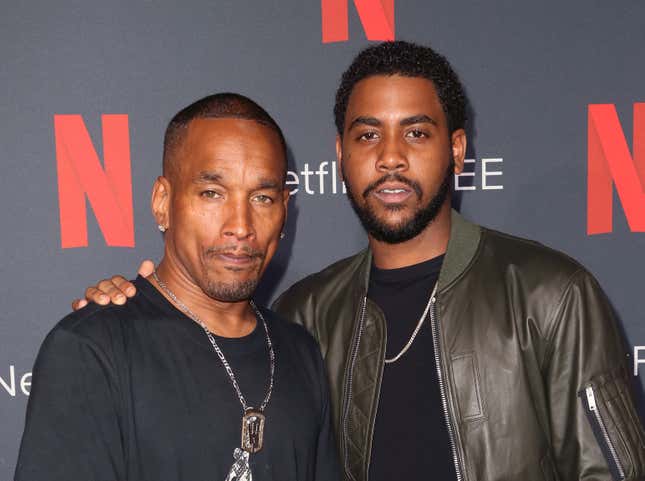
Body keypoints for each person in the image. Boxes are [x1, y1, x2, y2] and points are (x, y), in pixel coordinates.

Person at [71, 42, 645, 481]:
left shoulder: (551, 295)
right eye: (368, 136)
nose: (391, 158)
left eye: (416, 133)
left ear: (457, 149)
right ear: (341, 154)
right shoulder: (305, 315)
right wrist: (133, 306)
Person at [15, 93, 341, 481]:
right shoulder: (92, 349)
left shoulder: (299, 351)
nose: (241, 225)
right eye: (212, 193)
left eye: (262, 197)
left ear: (285, 209)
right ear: (162, 202)